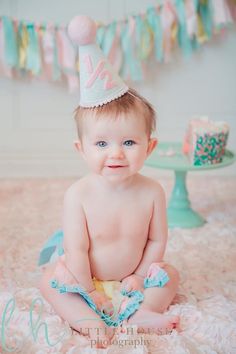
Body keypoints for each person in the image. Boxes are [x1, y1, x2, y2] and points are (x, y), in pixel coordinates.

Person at [39, 15, 180, 348]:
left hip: (134, 279)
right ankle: (86, 319)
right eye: (101, 144)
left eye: (129, 142)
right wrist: (88, 290)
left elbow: (156, 240)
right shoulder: (78, 195)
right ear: (81, 149)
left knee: (170, 274)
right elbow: (77, 248)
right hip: (86, 277)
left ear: (150, 146)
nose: (115, 153)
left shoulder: (153, 192)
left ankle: (143, 313)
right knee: (48, 281)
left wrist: (141, 275)